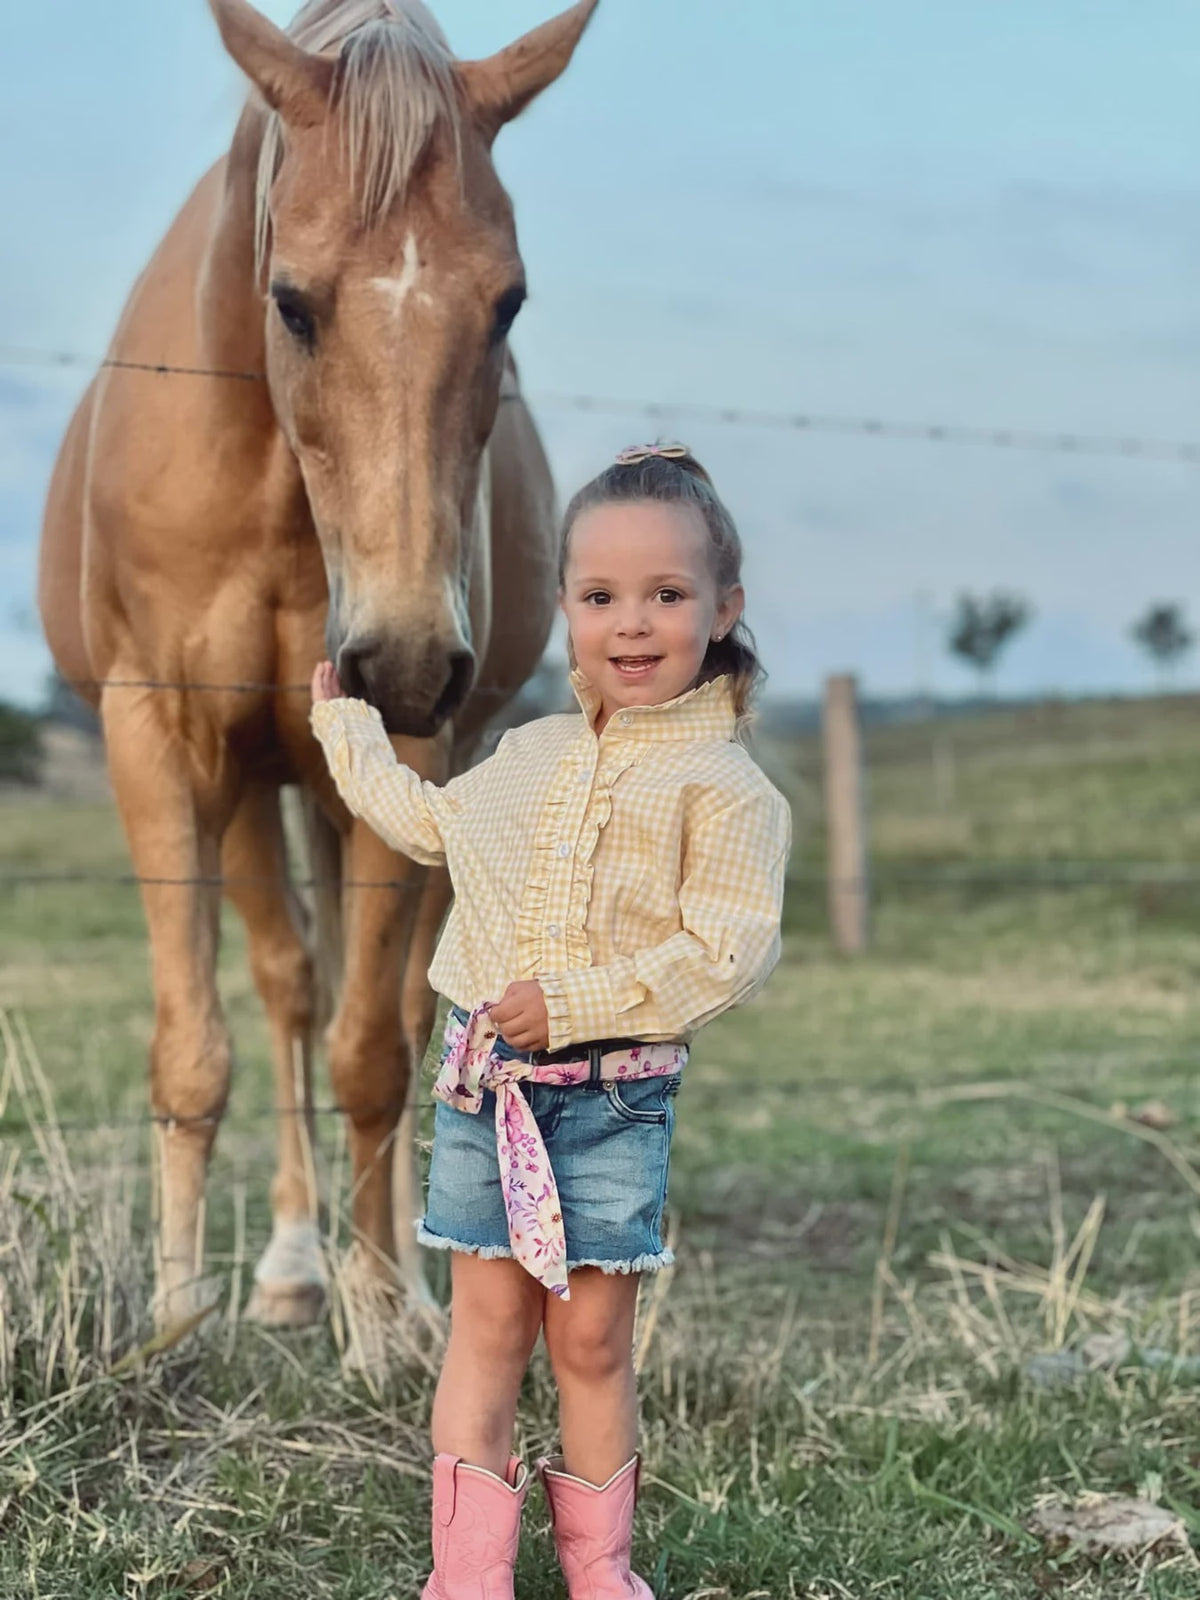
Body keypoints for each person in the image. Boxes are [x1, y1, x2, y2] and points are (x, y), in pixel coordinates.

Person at [309, 443, 791, 1600]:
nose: (632, 624)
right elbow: (430, 828)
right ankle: (466, 1575)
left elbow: (728, 951)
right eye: (600, 596)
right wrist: (347, 734)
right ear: (566, 606)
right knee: (486, 1329)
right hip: (483, 1095)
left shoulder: (727, 790)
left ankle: (601, 1570)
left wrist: (571, 1002)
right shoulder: (529, 754)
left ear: (723, 608)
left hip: (610, 1104)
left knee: (587, 1341)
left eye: (667, 595)